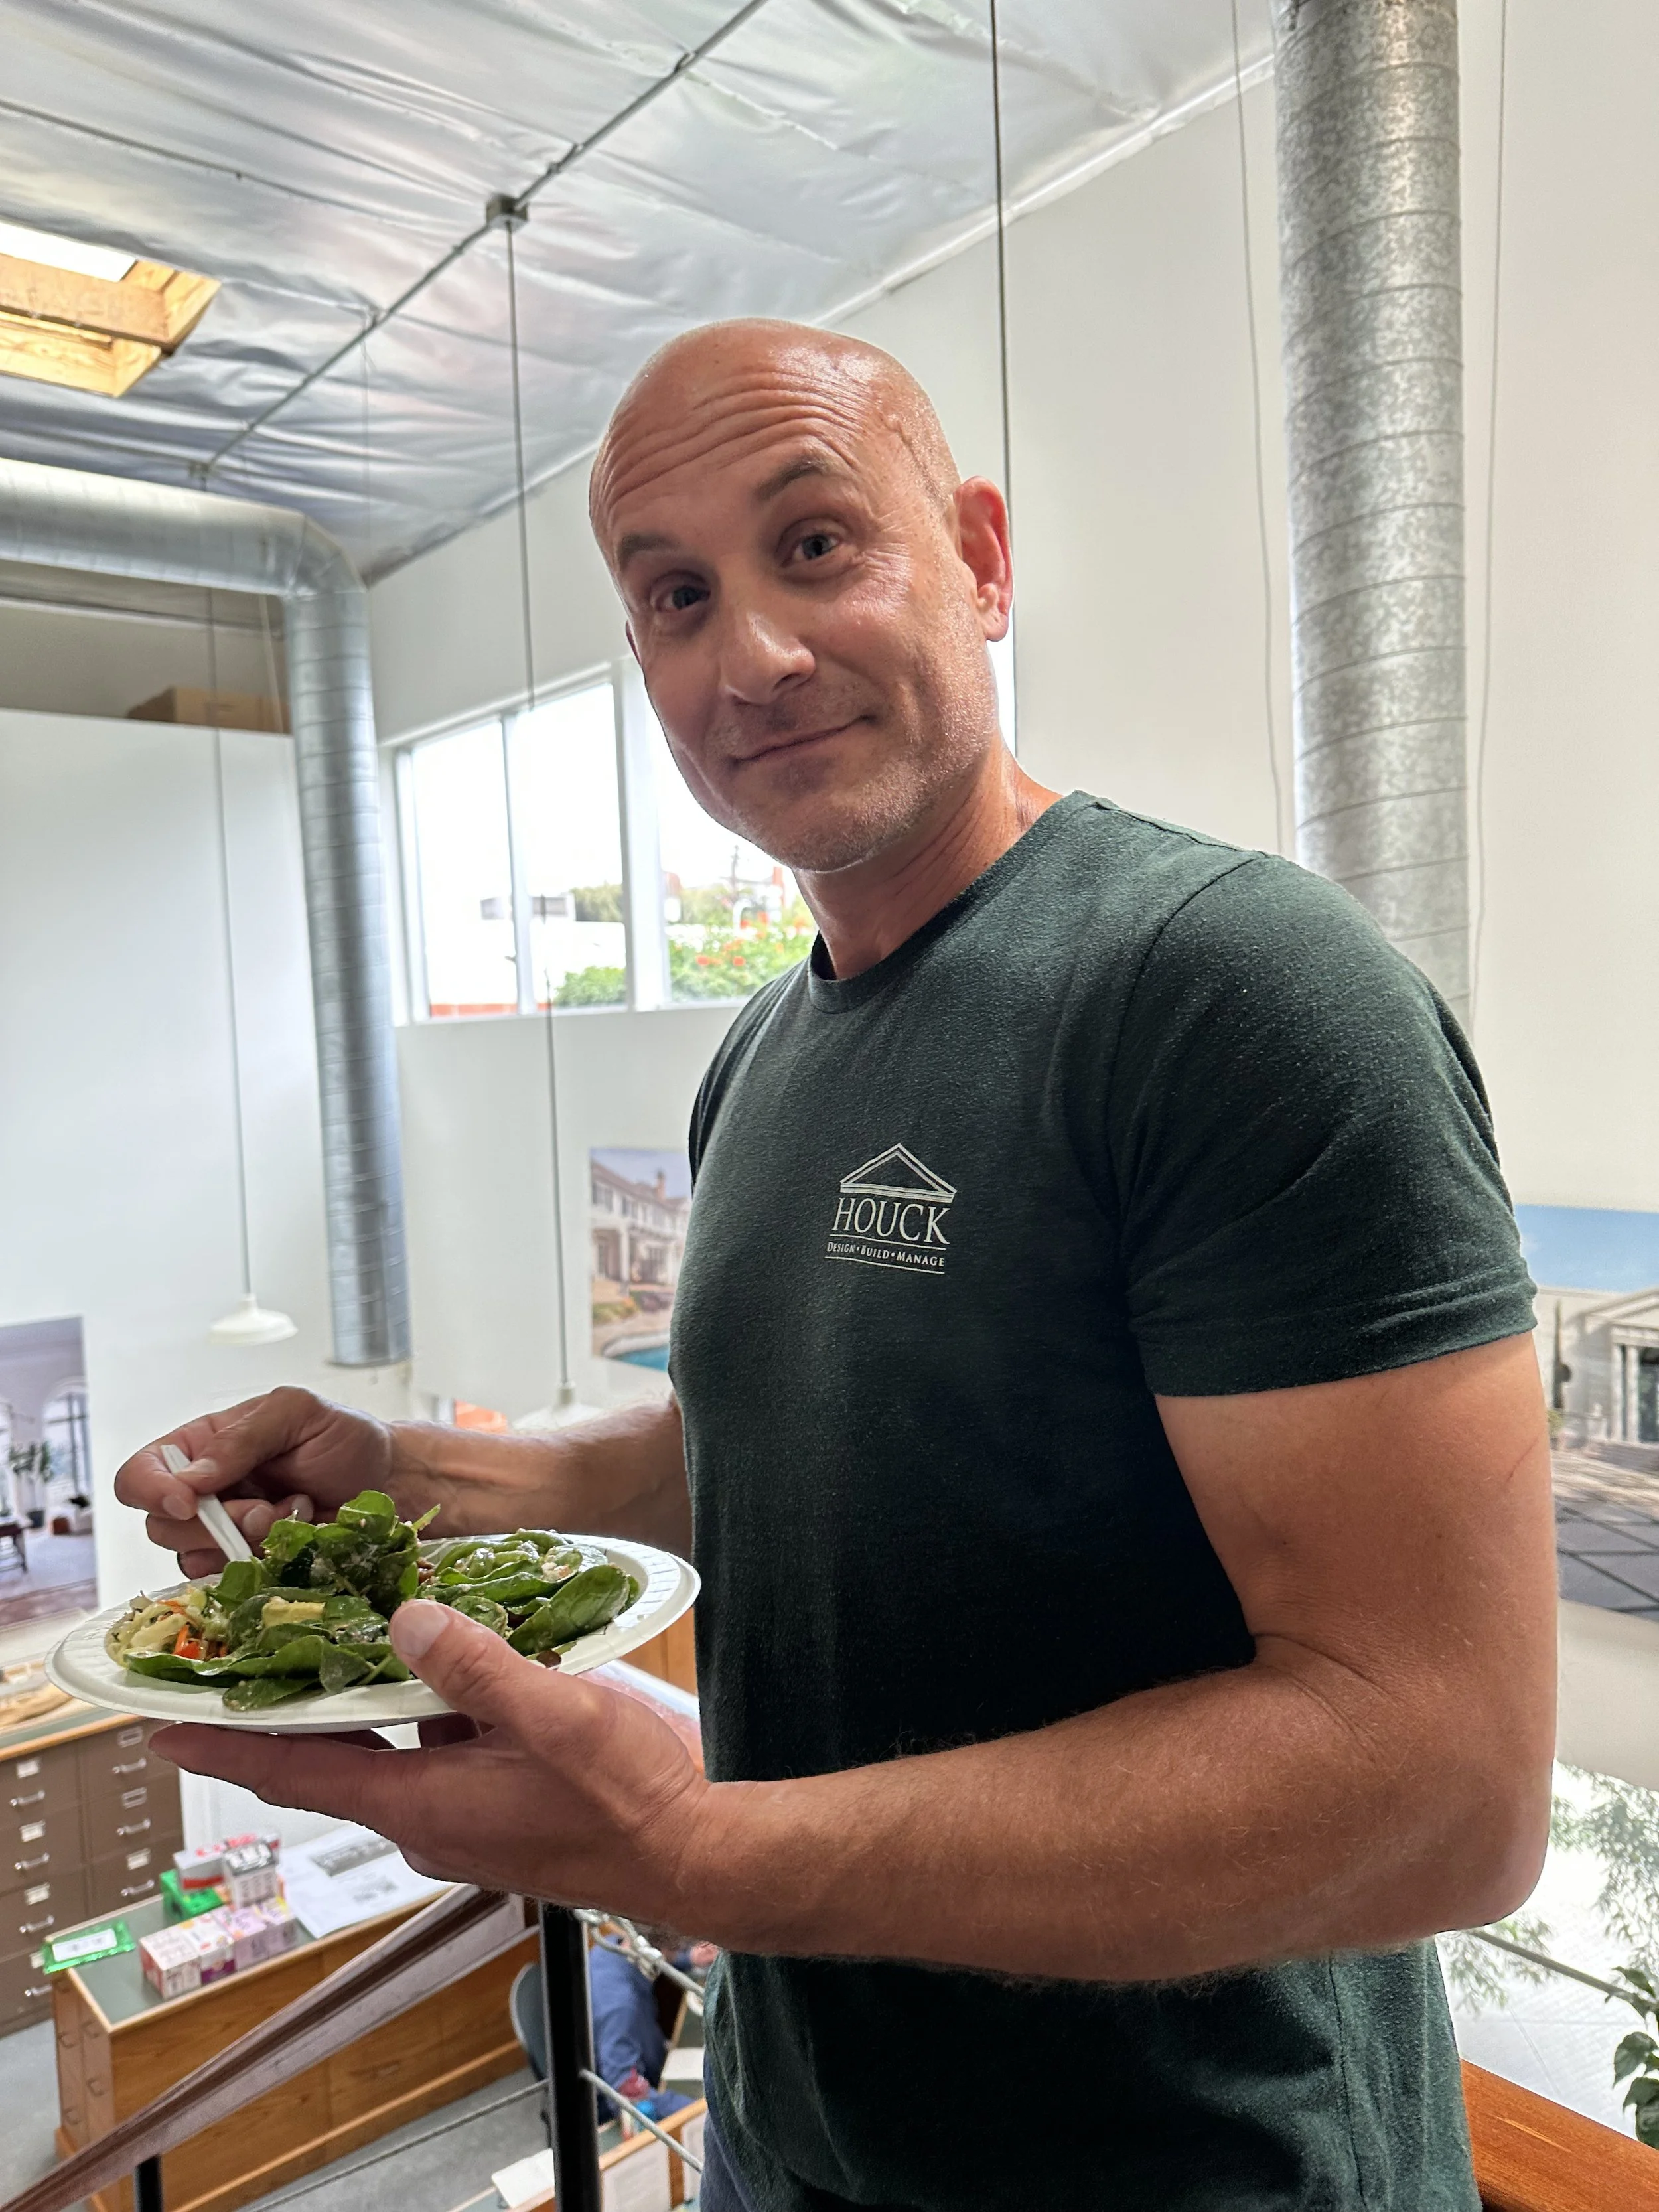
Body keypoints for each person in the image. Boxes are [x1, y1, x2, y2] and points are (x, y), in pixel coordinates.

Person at [119, 320, 1556, 2212]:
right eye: (676, 596)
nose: (755, 659)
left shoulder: (1231, 992)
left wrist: (710, 1854)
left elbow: (1442, 1784)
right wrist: (398, 1476)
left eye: (816, 546)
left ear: (976, 556)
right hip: (793, 2146)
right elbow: (766, 1433)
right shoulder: (762, 1056)